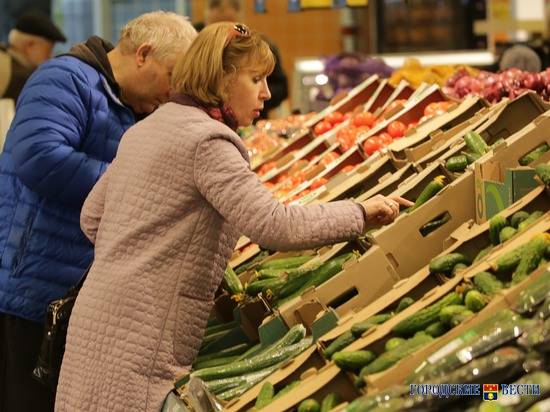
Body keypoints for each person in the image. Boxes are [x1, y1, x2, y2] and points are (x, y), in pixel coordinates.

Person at [55, 22, 412, 412]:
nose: (267, 93)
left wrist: (146, 249)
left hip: (98, 320)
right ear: (222, 79)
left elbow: (91, 217)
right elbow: (275, 227)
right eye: (256, 78)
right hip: (143, 337)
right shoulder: (207, 141)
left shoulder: (146, 129)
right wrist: (360, 213)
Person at [0, 11, 196, 412]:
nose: (175, 91)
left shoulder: (133, 105)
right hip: (27, 288)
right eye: (173, 76)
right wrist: (131, 184)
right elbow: (39, 156)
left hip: (70, 295)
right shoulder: (65, 79)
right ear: (143, 54)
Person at [195, 0, 289, 119]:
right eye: (216, 28)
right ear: (206, 21)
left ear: (241, 21)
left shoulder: (261, 47)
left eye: (231, 27)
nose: (223, 36)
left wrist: (250, 97)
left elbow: (281, 88)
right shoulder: (193, 44)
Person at [0, 11, 66, 101]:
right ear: (30, 45)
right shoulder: (22, 79)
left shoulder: (4, 57)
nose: (50, 57)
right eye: (48, 50)